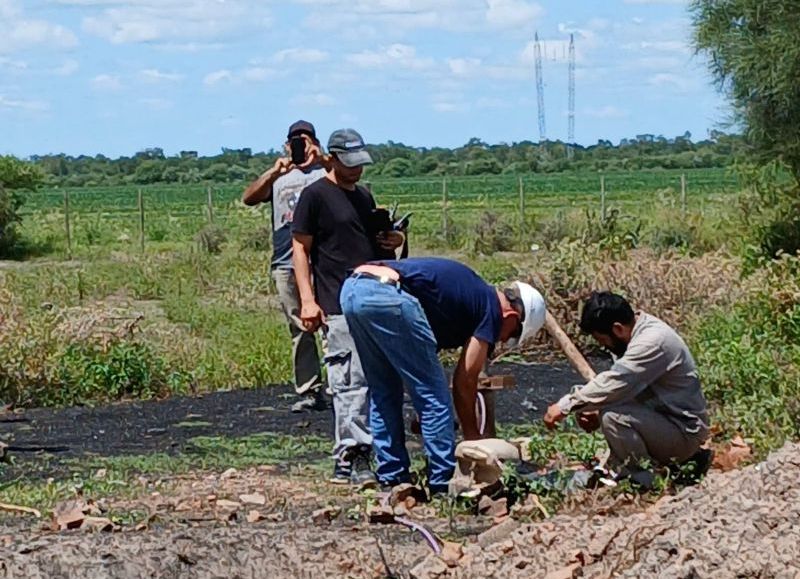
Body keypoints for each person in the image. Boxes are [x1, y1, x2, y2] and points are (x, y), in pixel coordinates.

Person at [339, 257, 547, 494]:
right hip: (389, 295)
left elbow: (416, 366)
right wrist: (473, 441)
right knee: (435, 396)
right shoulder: (492, 310)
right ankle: (442, 481)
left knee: (384, 389)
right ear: (512, 317)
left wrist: (426, 416)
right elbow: (465, 381)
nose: (501, 341)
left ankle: (392, 476)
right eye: (510, 336)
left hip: (354, 290)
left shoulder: (467, 296)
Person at [291, 128, 405, 486]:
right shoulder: (315, 197)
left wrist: (394, 240)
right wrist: (308, 300)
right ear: (334, 158)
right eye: (350, 164)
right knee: (349, 382)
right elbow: (300, 250)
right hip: (336, 301)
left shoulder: (365, 197)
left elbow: (374, 246)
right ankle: (351, 455)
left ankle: (375, 451)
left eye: (360, 164)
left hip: (372, 298)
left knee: (377, 379)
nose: (357, 171)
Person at [543, 291, 710, 488]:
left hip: (684, 431)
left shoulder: (652, 342)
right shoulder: (633, 336)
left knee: (614, 418)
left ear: (618, 329)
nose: (605, 347)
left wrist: (566, 405)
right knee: (608, 411)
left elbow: (615, 383)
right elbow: (626, 389)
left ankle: (644, 482)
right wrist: (592, 406)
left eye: (603, 340)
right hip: (666, 419)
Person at [242, 120, 329, 413]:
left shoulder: (325, 173)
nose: (298, 146)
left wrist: (323, 158)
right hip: (284, 260)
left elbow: (350, 176)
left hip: (323, 259)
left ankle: (342, 386)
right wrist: (274, 171)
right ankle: (310, 389)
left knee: (332, 323)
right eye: (293, 141)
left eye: (303, 140)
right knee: (299, 327)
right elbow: (248, 198)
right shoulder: (279, 176)